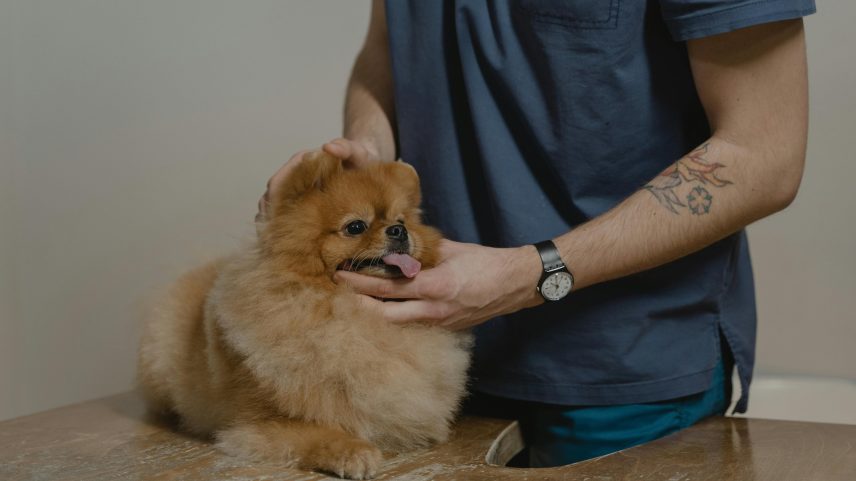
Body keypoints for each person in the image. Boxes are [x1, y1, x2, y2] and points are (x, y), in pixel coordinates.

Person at [258, 0, 815, 467]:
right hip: (428, 362)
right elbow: (383, 53)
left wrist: (528, 274)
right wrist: (365, 161)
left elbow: (763, 155)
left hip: (620, 377)